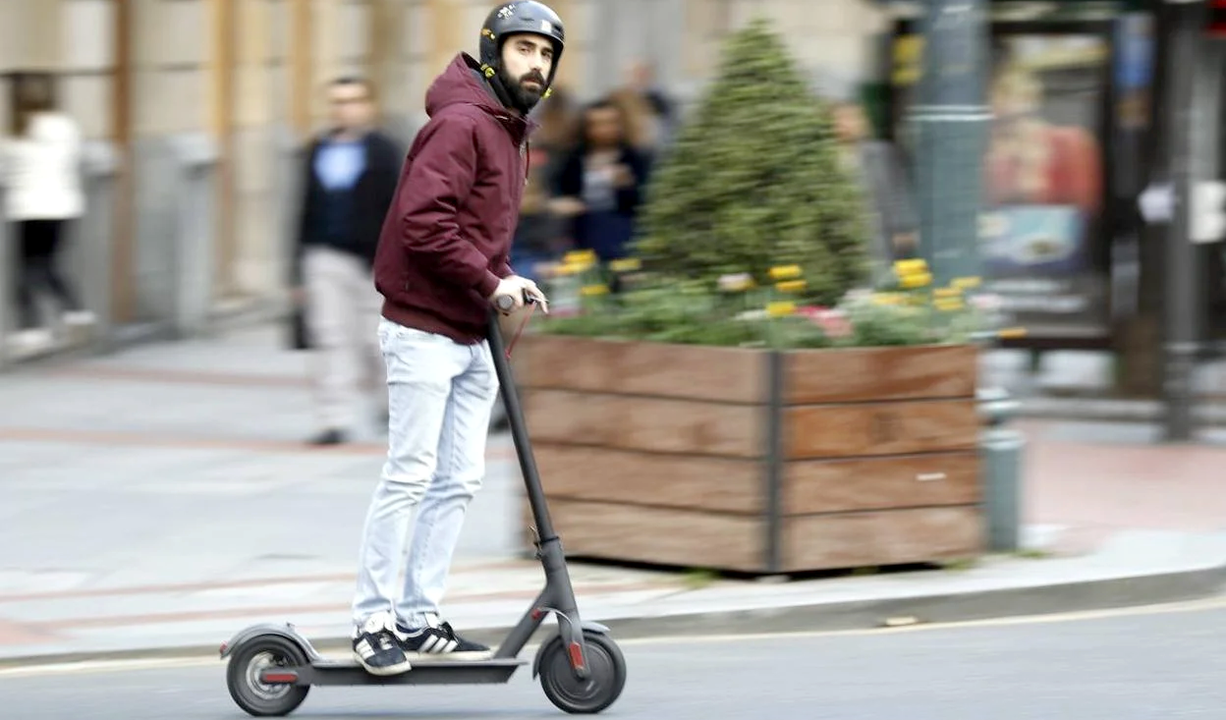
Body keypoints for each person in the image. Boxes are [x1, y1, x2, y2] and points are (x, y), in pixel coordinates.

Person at [349, 1, 561, 676]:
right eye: (524, 49)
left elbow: (478, 233)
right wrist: (488, 280)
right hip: (422, 327)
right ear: (494, 52)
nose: (536, 63)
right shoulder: (462, 124)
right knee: (410, 475)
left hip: (473, 331)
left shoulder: (508, 130)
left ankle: (418, 618)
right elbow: (423, 224)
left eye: (546, 53)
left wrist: (506, 276)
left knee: (459, 480)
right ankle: (372, 622)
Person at [290, 76, 403, 446]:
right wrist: (295, 271)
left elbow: (399, 210)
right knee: (329, 336)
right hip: (324, 256)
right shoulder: (317, 149)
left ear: (368, 106)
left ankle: (390, 407)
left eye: (353, 101)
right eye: (338, 101)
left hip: (372, 261)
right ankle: (334, 419)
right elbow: (303, 208)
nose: (345, 109)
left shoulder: (385, 150)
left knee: (376, 339)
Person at [2, 72, 92, 357]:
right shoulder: (66, 127)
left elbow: (4, 171)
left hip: (28, 208)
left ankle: (31, 333)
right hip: (64, 206)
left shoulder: (17, 133)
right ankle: (76, 314)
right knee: (49, 264)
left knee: (26, 269)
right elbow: (76, 159)